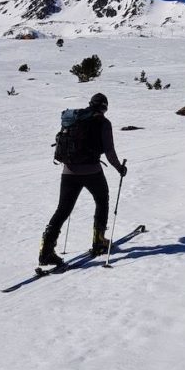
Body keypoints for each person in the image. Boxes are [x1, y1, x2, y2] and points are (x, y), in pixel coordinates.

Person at [39, 92, 127, 266]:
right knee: (102, 200)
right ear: (105, 107)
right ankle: (99, 241)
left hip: (68, 171)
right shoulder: (103, 123)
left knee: (62, 210)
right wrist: (120, 168)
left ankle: (46, 250)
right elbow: (109, 152)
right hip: (91, 171)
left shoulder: (75, 118)